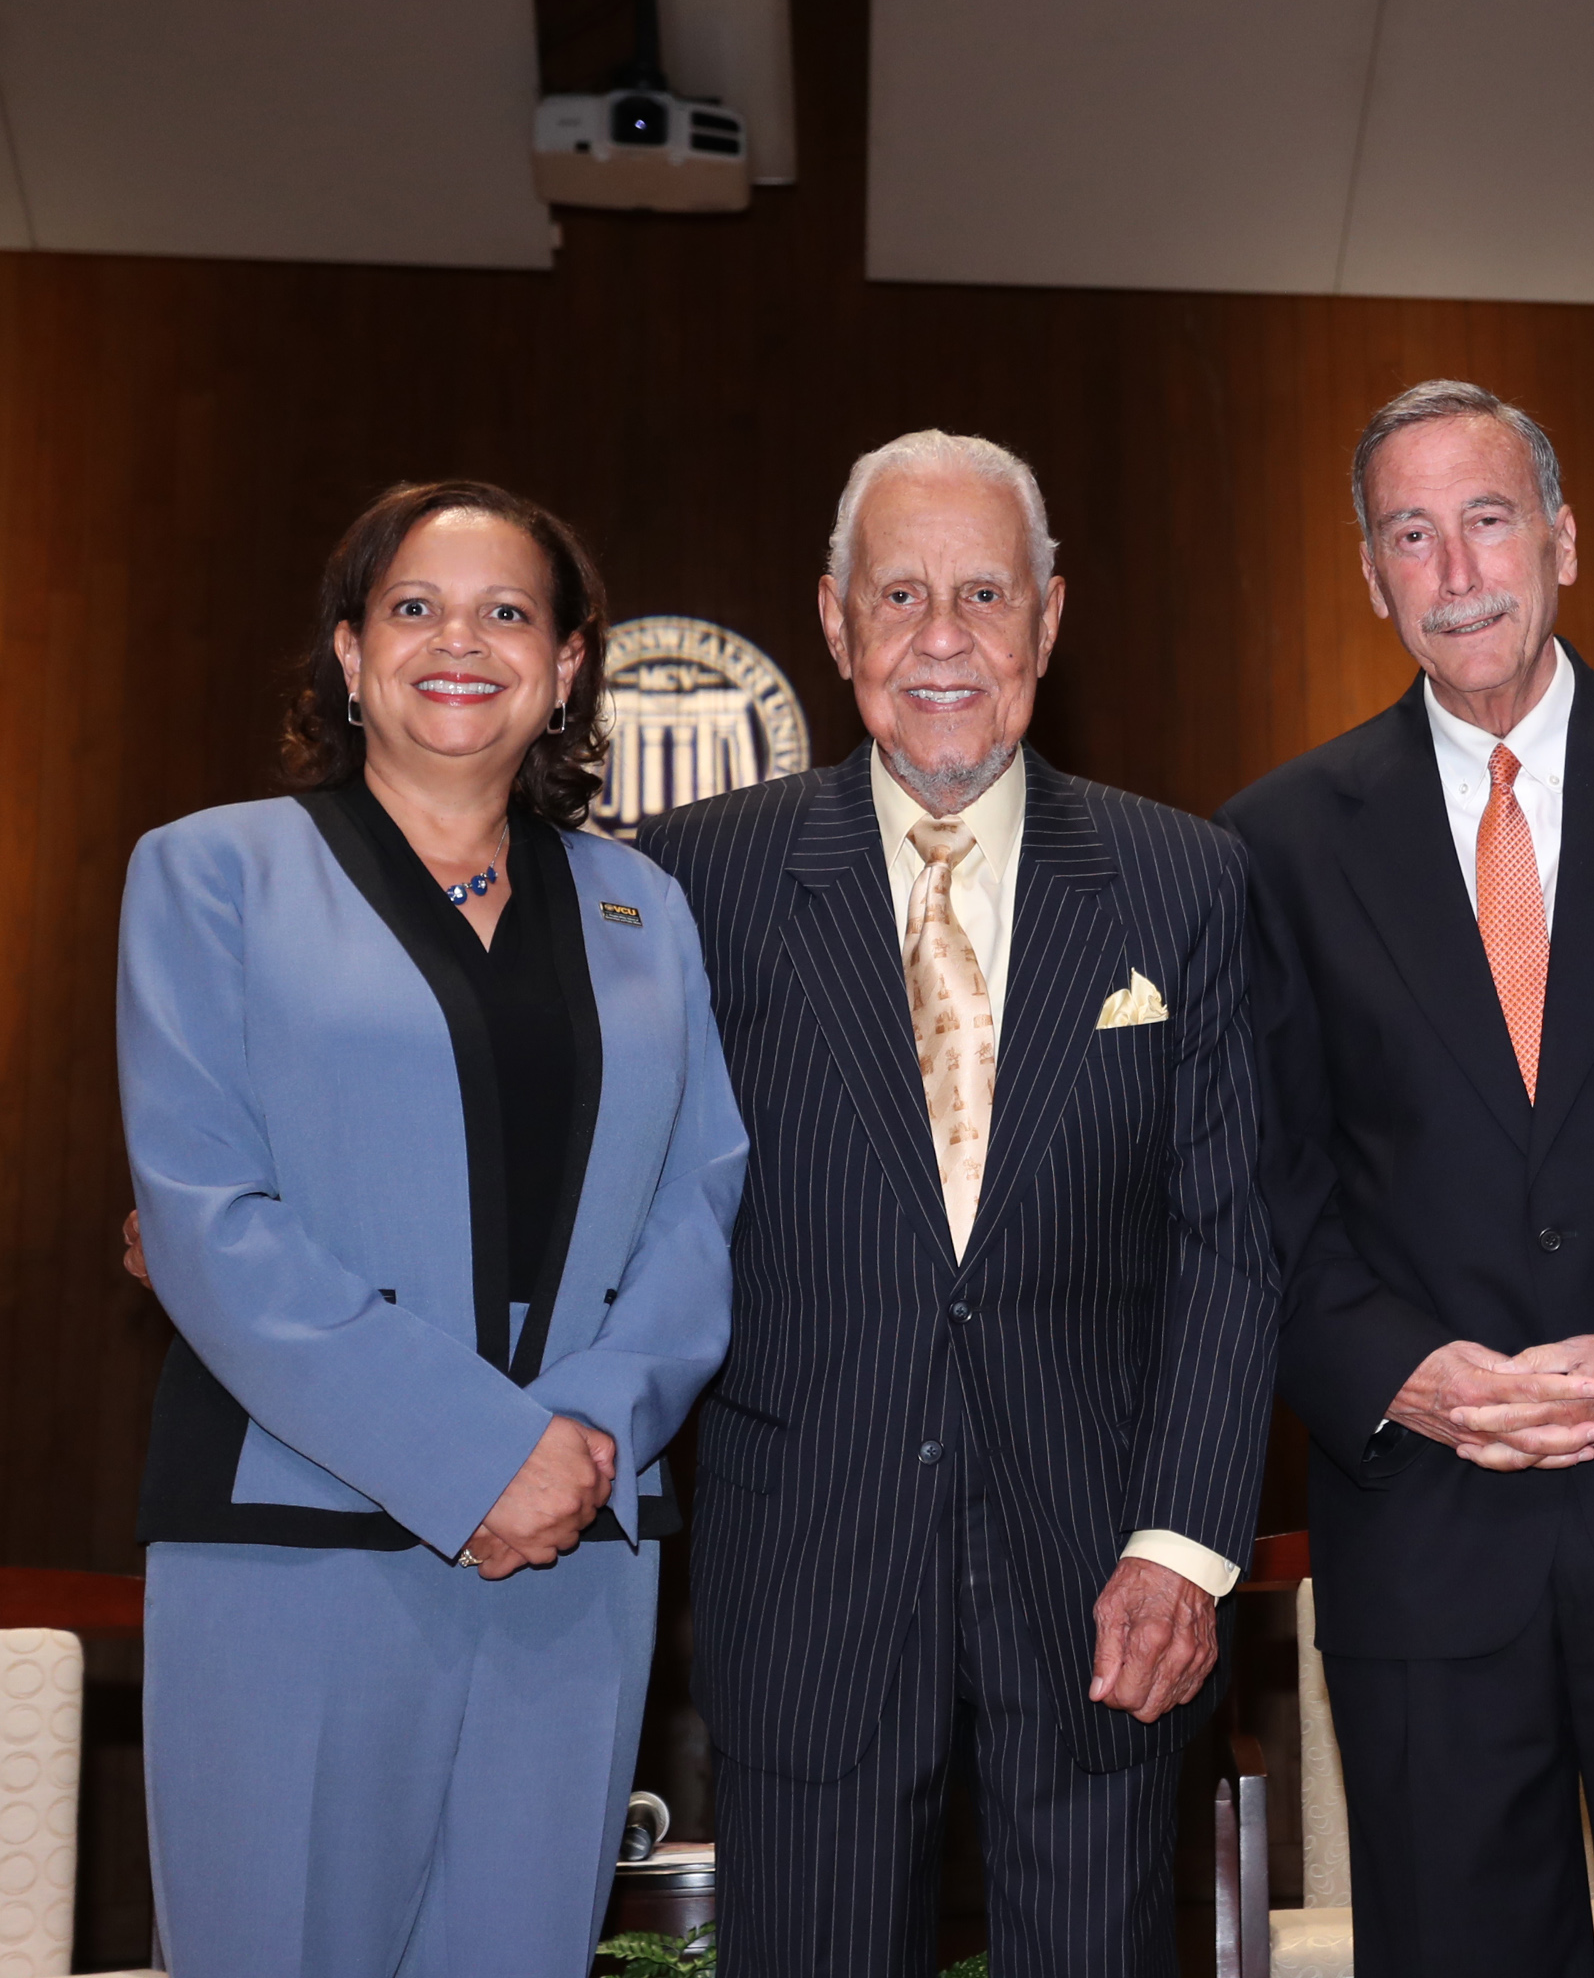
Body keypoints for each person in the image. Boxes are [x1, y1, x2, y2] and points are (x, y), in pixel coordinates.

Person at [638, 430, 1277, 1978]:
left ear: (1049, 620)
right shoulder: (692, 881)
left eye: (984, 593)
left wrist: (1185, 1547)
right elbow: (607, 1191)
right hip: (809, 1569)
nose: (943, 639)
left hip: (1107, 1575)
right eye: (901, 593)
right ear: (836, 619)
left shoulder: (1180, 880)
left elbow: (1230, 1243)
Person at [1220, 380, 1594, 1978]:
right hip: (1428, 1528)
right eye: (1409, 533)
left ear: (1563, 537)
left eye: (1489, 517)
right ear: (1371, 576)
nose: (1457, 563)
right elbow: (1261, 1177)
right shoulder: (1272, 842)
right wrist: (1395, 1373)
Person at [115, 479, 744, 1976]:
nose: (460, 641)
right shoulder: (212, 873)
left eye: (507, 611)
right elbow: (206, 1218)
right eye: (414, 607)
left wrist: (583, 1434)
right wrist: (480, 1456)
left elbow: (700, 1201)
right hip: (293, 1543)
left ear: (569, 665)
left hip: (573, 1551)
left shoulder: (642, 907)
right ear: (347, 651)